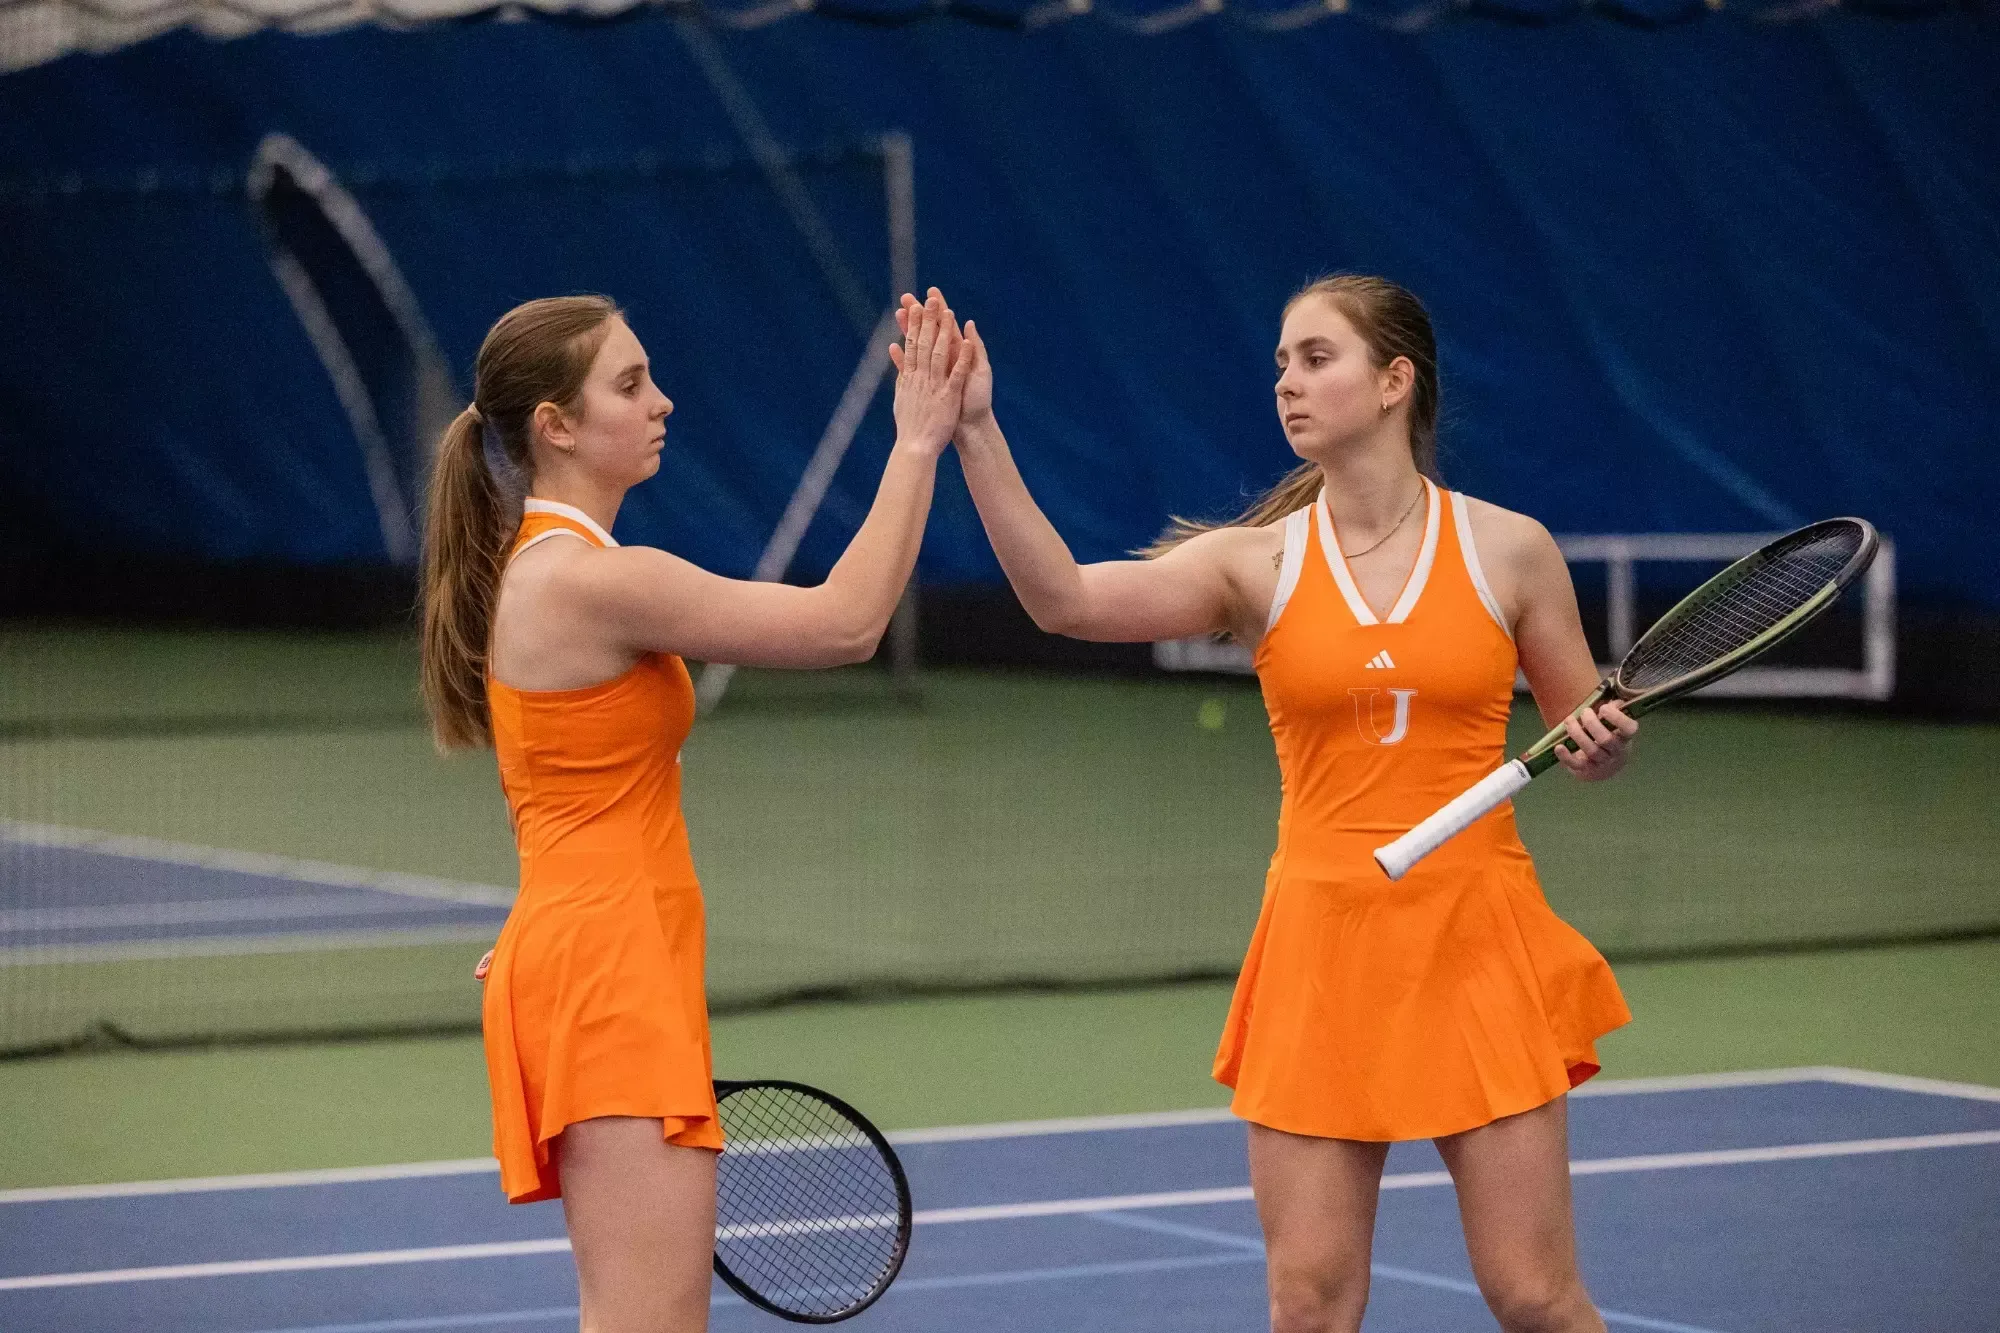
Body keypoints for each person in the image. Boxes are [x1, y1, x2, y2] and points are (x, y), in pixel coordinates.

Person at [935, 275, 1636, 1333]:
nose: (1287, 385)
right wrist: (977, 431)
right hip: (1321, 946)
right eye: (1279, 365)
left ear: (1394, 380)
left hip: (1475, 938)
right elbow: (1062, 602)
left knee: (1534, 1296)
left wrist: (1599, 746)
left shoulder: (1509, 549)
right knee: (1307, 1303)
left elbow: (1582, 733)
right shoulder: (1253, 563)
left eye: (1315, 358)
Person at [419, 289, 969, 1333]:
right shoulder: (593, 580)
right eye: (630, 384)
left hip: (596, 956)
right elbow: (845, 624)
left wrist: (549, 937)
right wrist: (915, 443)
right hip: (606, 974)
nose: (663, 402)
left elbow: (557, 785)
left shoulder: (542, 574)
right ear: (558, 426)